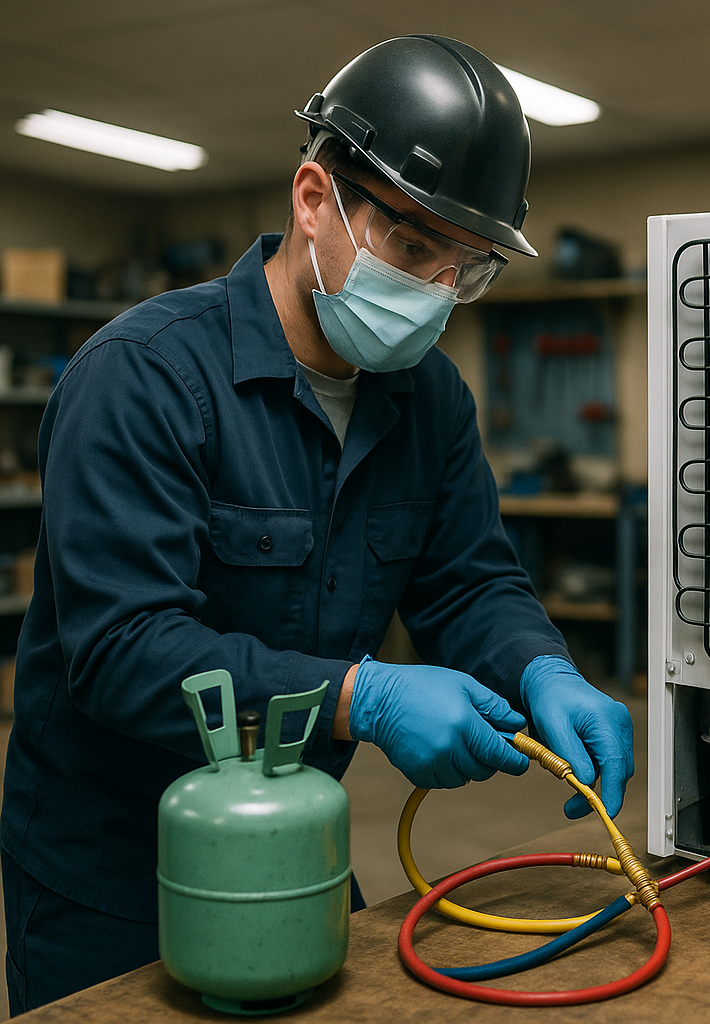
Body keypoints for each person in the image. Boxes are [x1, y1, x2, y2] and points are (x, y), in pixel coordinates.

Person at [0, 34, 634, 1015]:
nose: (430, 291)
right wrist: (360, 696)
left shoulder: (431, 400)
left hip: (298, 839)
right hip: (113, 871)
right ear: (313, 199)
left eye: (464, 270)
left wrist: (537, 665)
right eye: (413, 245)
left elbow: (467, 580)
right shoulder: (143, 378)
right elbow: (122, 649)